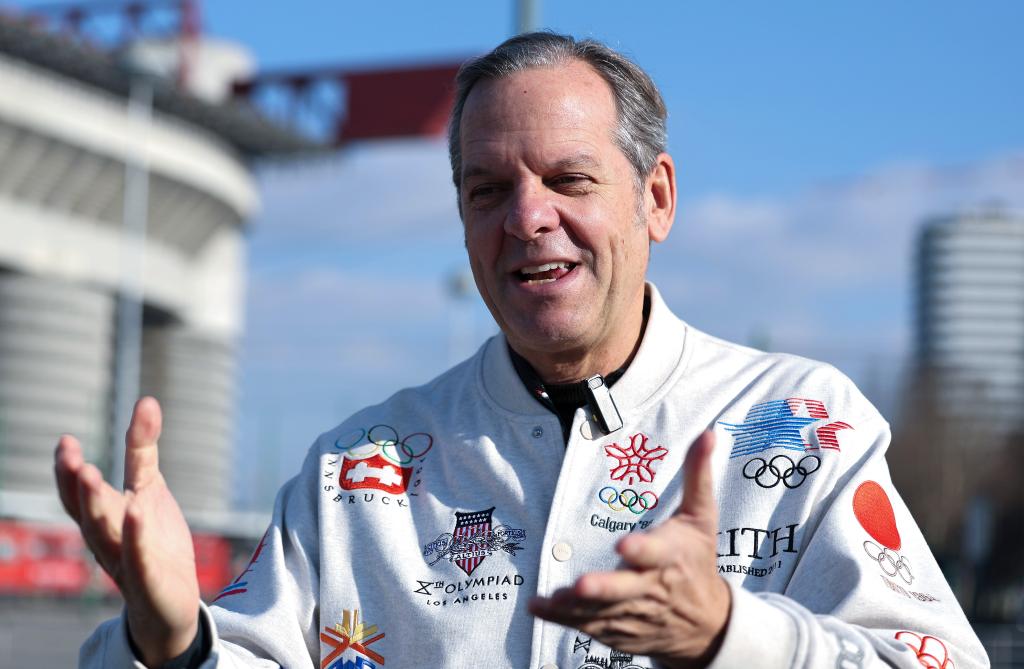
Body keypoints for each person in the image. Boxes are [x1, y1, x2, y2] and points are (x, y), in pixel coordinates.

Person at [57, 32, 988, 668]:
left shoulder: (804, 423)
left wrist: (726, 636)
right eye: (488, 190)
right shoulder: (359, 470)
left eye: (569, 179)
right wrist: (173, 640)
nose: (528, 217)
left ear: (657, 198)